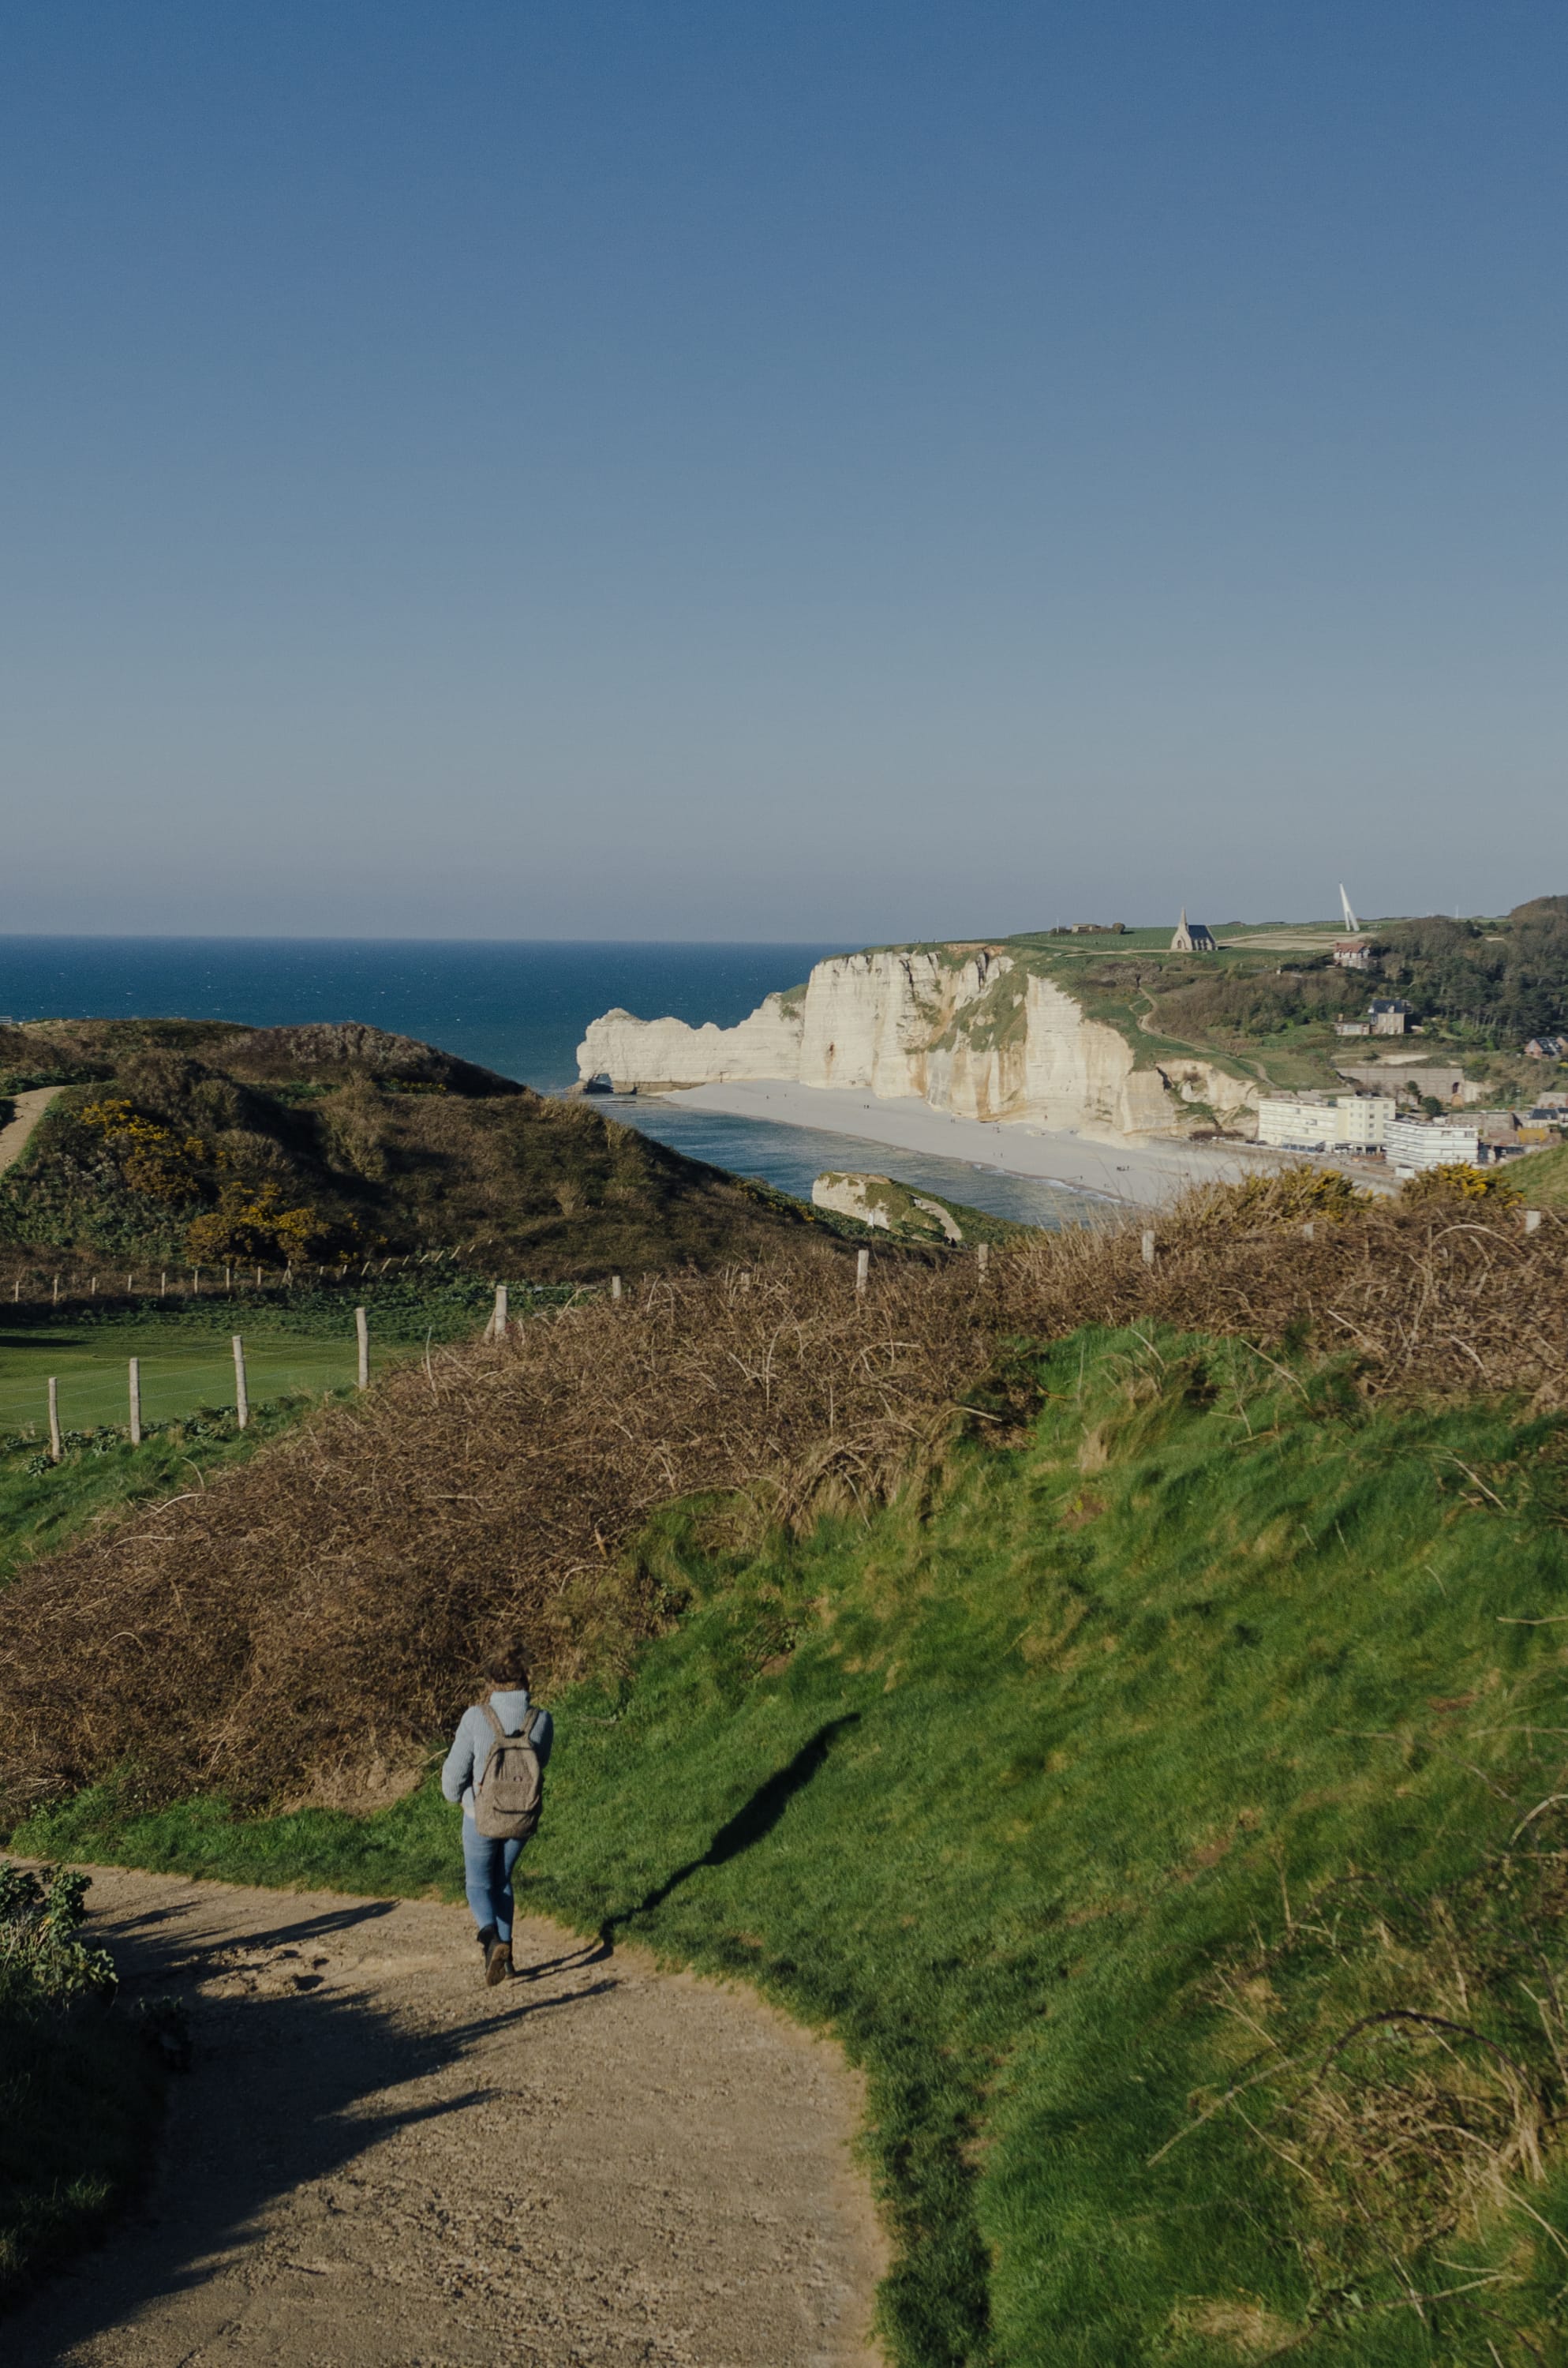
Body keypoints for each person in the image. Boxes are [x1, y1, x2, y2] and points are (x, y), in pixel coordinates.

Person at [441, 1644, 554, 1985]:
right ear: (525, 1679)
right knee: (503, 1880)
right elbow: (540, 1764)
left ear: (491, 1680)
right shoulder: (541, 1719)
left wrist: (462, 1797)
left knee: (477, 1882)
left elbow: (452, 1779)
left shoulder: (476, 1717)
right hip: (522, 1816)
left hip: (481, 1816)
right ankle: (508, 1960)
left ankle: (490, 1942)